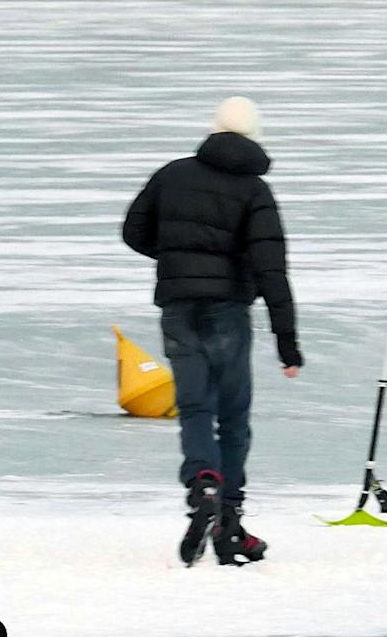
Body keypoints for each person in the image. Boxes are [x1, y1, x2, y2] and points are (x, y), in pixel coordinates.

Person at [121, 96, 302, 568]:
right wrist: (288, 343)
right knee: (234, 417)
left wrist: (177, 262)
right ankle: (229, 522)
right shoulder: (254, 190)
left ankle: (203, 481)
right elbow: (271, 268)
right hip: (228, 311)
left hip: (178, 307)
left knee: (196, 408)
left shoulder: (173, 174)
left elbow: (134, 230)